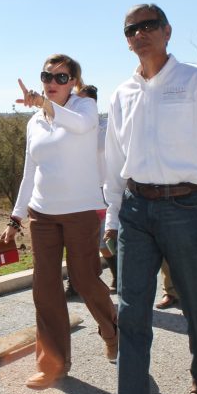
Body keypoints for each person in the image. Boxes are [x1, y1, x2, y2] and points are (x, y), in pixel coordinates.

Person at [92, 4, 197, 394]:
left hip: (186, 207)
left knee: (196, 299)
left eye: (147, 26)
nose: (139, 34)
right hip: (136, 210)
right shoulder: (123, 93)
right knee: (133, 313)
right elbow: (115, 163)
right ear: (126, 39)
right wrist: (113, 219)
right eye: (131, 29)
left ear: (166, 31)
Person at [1, 54, 118, 390]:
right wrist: (16, 217)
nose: (52, 83)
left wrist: (44, 104)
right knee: (45, 288)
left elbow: (80, 127)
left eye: (61, 78)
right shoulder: (34, 123)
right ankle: (53, 365)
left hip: (81, 212)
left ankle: (111, 328)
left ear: (74, 82)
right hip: (43, 215)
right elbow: (30, 172)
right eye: (47, 76)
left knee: (84, 279)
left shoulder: (84, 109)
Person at [64, 84, 118, 298]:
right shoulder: (72, 129)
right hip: (78, 192)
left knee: (104, 241)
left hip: (104, 191)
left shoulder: (107, 127)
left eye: (82, 100)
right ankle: (74, 283)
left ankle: (118, 274)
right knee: (73, 239)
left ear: (92, 103)